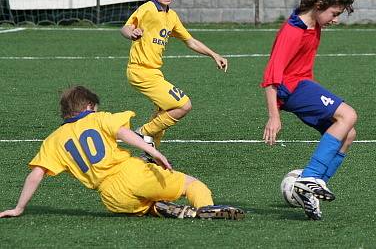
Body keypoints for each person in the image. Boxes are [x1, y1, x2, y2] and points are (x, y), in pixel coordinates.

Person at [0, 86, 244, 220]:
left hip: (110, 197)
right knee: (193, 185)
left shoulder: (53, 140)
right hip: (130, 173)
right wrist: (152, 151)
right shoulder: (99, 118)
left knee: (148, 205)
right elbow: (124, 133)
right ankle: (206, 209)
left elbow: (36, 174)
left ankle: (161, 208)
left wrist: (19, 207)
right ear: (88, 107)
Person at [261, 0, 357, 220]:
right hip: (292, 88)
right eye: (334, 13)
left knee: (348, 133)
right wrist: (273, 117)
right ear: (320, 4)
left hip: (302, 84)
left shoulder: (311, 21)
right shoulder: (292, 32)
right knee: (348, 114)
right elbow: (271, 77)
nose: (335, 20)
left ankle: (310, 191)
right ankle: (311, 176)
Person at [120, 0, 228, 153]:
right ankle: (141, 133)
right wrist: (132, 33)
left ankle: (151, 156)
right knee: (184, 105)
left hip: (154, 72)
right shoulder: (147, 9)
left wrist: (214, 54)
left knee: (163, 112)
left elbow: (190, 41)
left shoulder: (171, 16)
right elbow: (126, 27)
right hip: (140, 71)